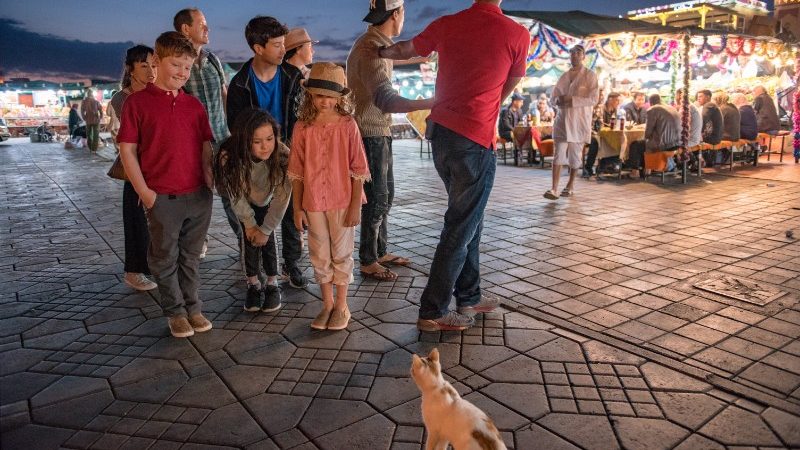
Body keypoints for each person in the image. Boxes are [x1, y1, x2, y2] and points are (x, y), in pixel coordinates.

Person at [379, 0, 529, 331]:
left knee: (468, 218)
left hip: (442, 136)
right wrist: (488, 104)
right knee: (460, 225)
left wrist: (378, 51)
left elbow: (405, 49)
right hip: (474, 139)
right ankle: (432, 310)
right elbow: (511, 82)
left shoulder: (448, 23)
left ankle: (469, 295)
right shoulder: (517, 34)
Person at [118, 31, 214, 339]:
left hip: (198, 195)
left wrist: (209, 183)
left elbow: (205, 147)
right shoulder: (137, 104)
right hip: (162, 197)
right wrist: (145, 192)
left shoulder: (194, 106)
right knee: (164, 257)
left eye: (187, 67)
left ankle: (194, 307)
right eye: (176, 65)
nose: (182, 73)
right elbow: (127, 150)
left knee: (191, 256)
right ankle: (175, 312)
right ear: (157, 61)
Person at [347, 0, 434, 282]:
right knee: (377, 198)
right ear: (397, 14)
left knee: (386, 194)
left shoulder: (379, 43)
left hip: (379, 130)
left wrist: (424, 56)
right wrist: (431, 102)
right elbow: (385, 97)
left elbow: (402, 54)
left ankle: (380, 251)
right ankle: (368, 259)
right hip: (369, 131)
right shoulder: (370, 48)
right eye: (404, 13)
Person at [288, 62, 370, 331]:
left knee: (342, 253)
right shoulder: (302, 127)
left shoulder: (348, 125)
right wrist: (297, 207)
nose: (324, 101)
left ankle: (342, 305)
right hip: (312, 201)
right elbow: (297, 171)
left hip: (343, 200)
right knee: (319, 252)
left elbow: (359, 168)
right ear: (310, 94)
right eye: (319, 95)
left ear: (339, 97)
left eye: (329, 96)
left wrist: (356, 204)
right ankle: (326, 304)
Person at [227, 16, 308, 289]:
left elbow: (301, 117)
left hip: (288, 149)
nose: (283, 50)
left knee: (290, 207)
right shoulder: (240, 85)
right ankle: (256, 270)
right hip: (256, 154)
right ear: (258, 48)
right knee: (257, 209)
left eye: (283, 44)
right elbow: (235, 128)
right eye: (276, 45)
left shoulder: (292, 76)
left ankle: (292, 263)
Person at [213, 109, 291, 313]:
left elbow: (283, 197)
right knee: (248, 241)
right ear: (244, 140)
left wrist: (265, 229)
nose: (265, 146)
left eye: (269, 138)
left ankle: (272, 283)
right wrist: (249, 224)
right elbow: (235, 195)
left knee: (269, 239)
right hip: (244, 200)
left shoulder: (282, 155)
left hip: (268, 199)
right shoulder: (229, 156)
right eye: (257, 141)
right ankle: (253, 284)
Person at [175, 8, 234, 259]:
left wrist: (234, 133)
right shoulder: (177, 64)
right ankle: (197, 242)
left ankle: (247, 246)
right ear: (186, 29)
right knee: (198, 198)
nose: (207, 28)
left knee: (232, 195)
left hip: (221, 139)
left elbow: (224, 95)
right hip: (193, 145)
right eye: (202, 24)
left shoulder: (212, 60)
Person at [107, 45, 158, 292]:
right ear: (130, 69)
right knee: (136, 220)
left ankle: (149, 267)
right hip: (135, 168)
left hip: (157, 167)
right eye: (144, 66)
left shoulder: (156, 93)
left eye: (153, 65)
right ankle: (134, 271)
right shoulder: (122, 98)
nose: (151, 71)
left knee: (156, 222)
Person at [545, 45, 598, 200]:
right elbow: (553, 98)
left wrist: (572, 100)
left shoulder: (590, 75)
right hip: (562, 119)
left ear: (583, 56)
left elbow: (594, 99)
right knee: (558, 154)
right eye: (572, 53)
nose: (574, 55)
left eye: (578, 52)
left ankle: (570, 184)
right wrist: (558, 100)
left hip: (578, 121)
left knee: (575, 156)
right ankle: (554, 188)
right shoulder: (564, 76)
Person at [627, 94, 681, 177]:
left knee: (635, 145)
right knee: (643, 144)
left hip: (663, 145)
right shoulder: (671, 108)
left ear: (650, 102)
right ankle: (647, 168)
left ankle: (635, 171)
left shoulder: (653, 109)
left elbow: (648, 133)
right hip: (677, 144)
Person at [584, 92, 621, 176]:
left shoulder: (614, 110)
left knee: (617, 141)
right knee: (595, 141)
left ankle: (604, 164)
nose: (618, 102)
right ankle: (588, 167)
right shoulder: (601, 108)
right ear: (610, 100)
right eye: (617, 100)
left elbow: (613, 124)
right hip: (593, 132)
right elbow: (597, 125)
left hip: (607, 134)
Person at [697, 89, 723, 168]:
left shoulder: (708, 105)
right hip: (716, 136)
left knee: (691, 140)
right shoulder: (712, 105)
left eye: (701, 96)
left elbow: (703, 119)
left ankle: (695, 163)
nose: (698, 98)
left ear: (708, 97)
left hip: (712, 137)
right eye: (698, 97)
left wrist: (699, 133)